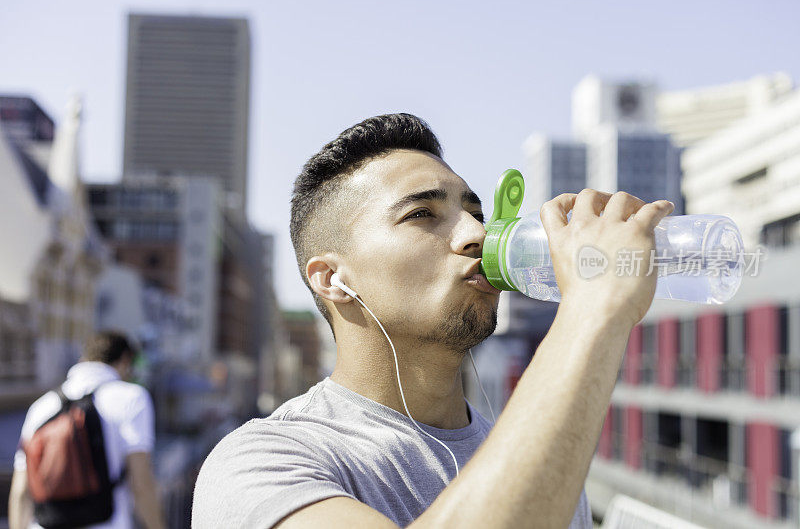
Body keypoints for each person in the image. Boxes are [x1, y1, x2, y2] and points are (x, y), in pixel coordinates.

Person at [192, 113, 675, 528]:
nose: (476, 235)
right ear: (333, 279)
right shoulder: (263, 464)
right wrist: (592, 308)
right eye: (422, 213)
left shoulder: (543, 448)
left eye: (476, 214)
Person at [8, 331, 166, 529]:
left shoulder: (41, 406)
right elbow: (141, 482)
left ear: (84, 359)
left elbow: (21, 491)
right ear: (125, 360)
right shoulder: (132, 398)